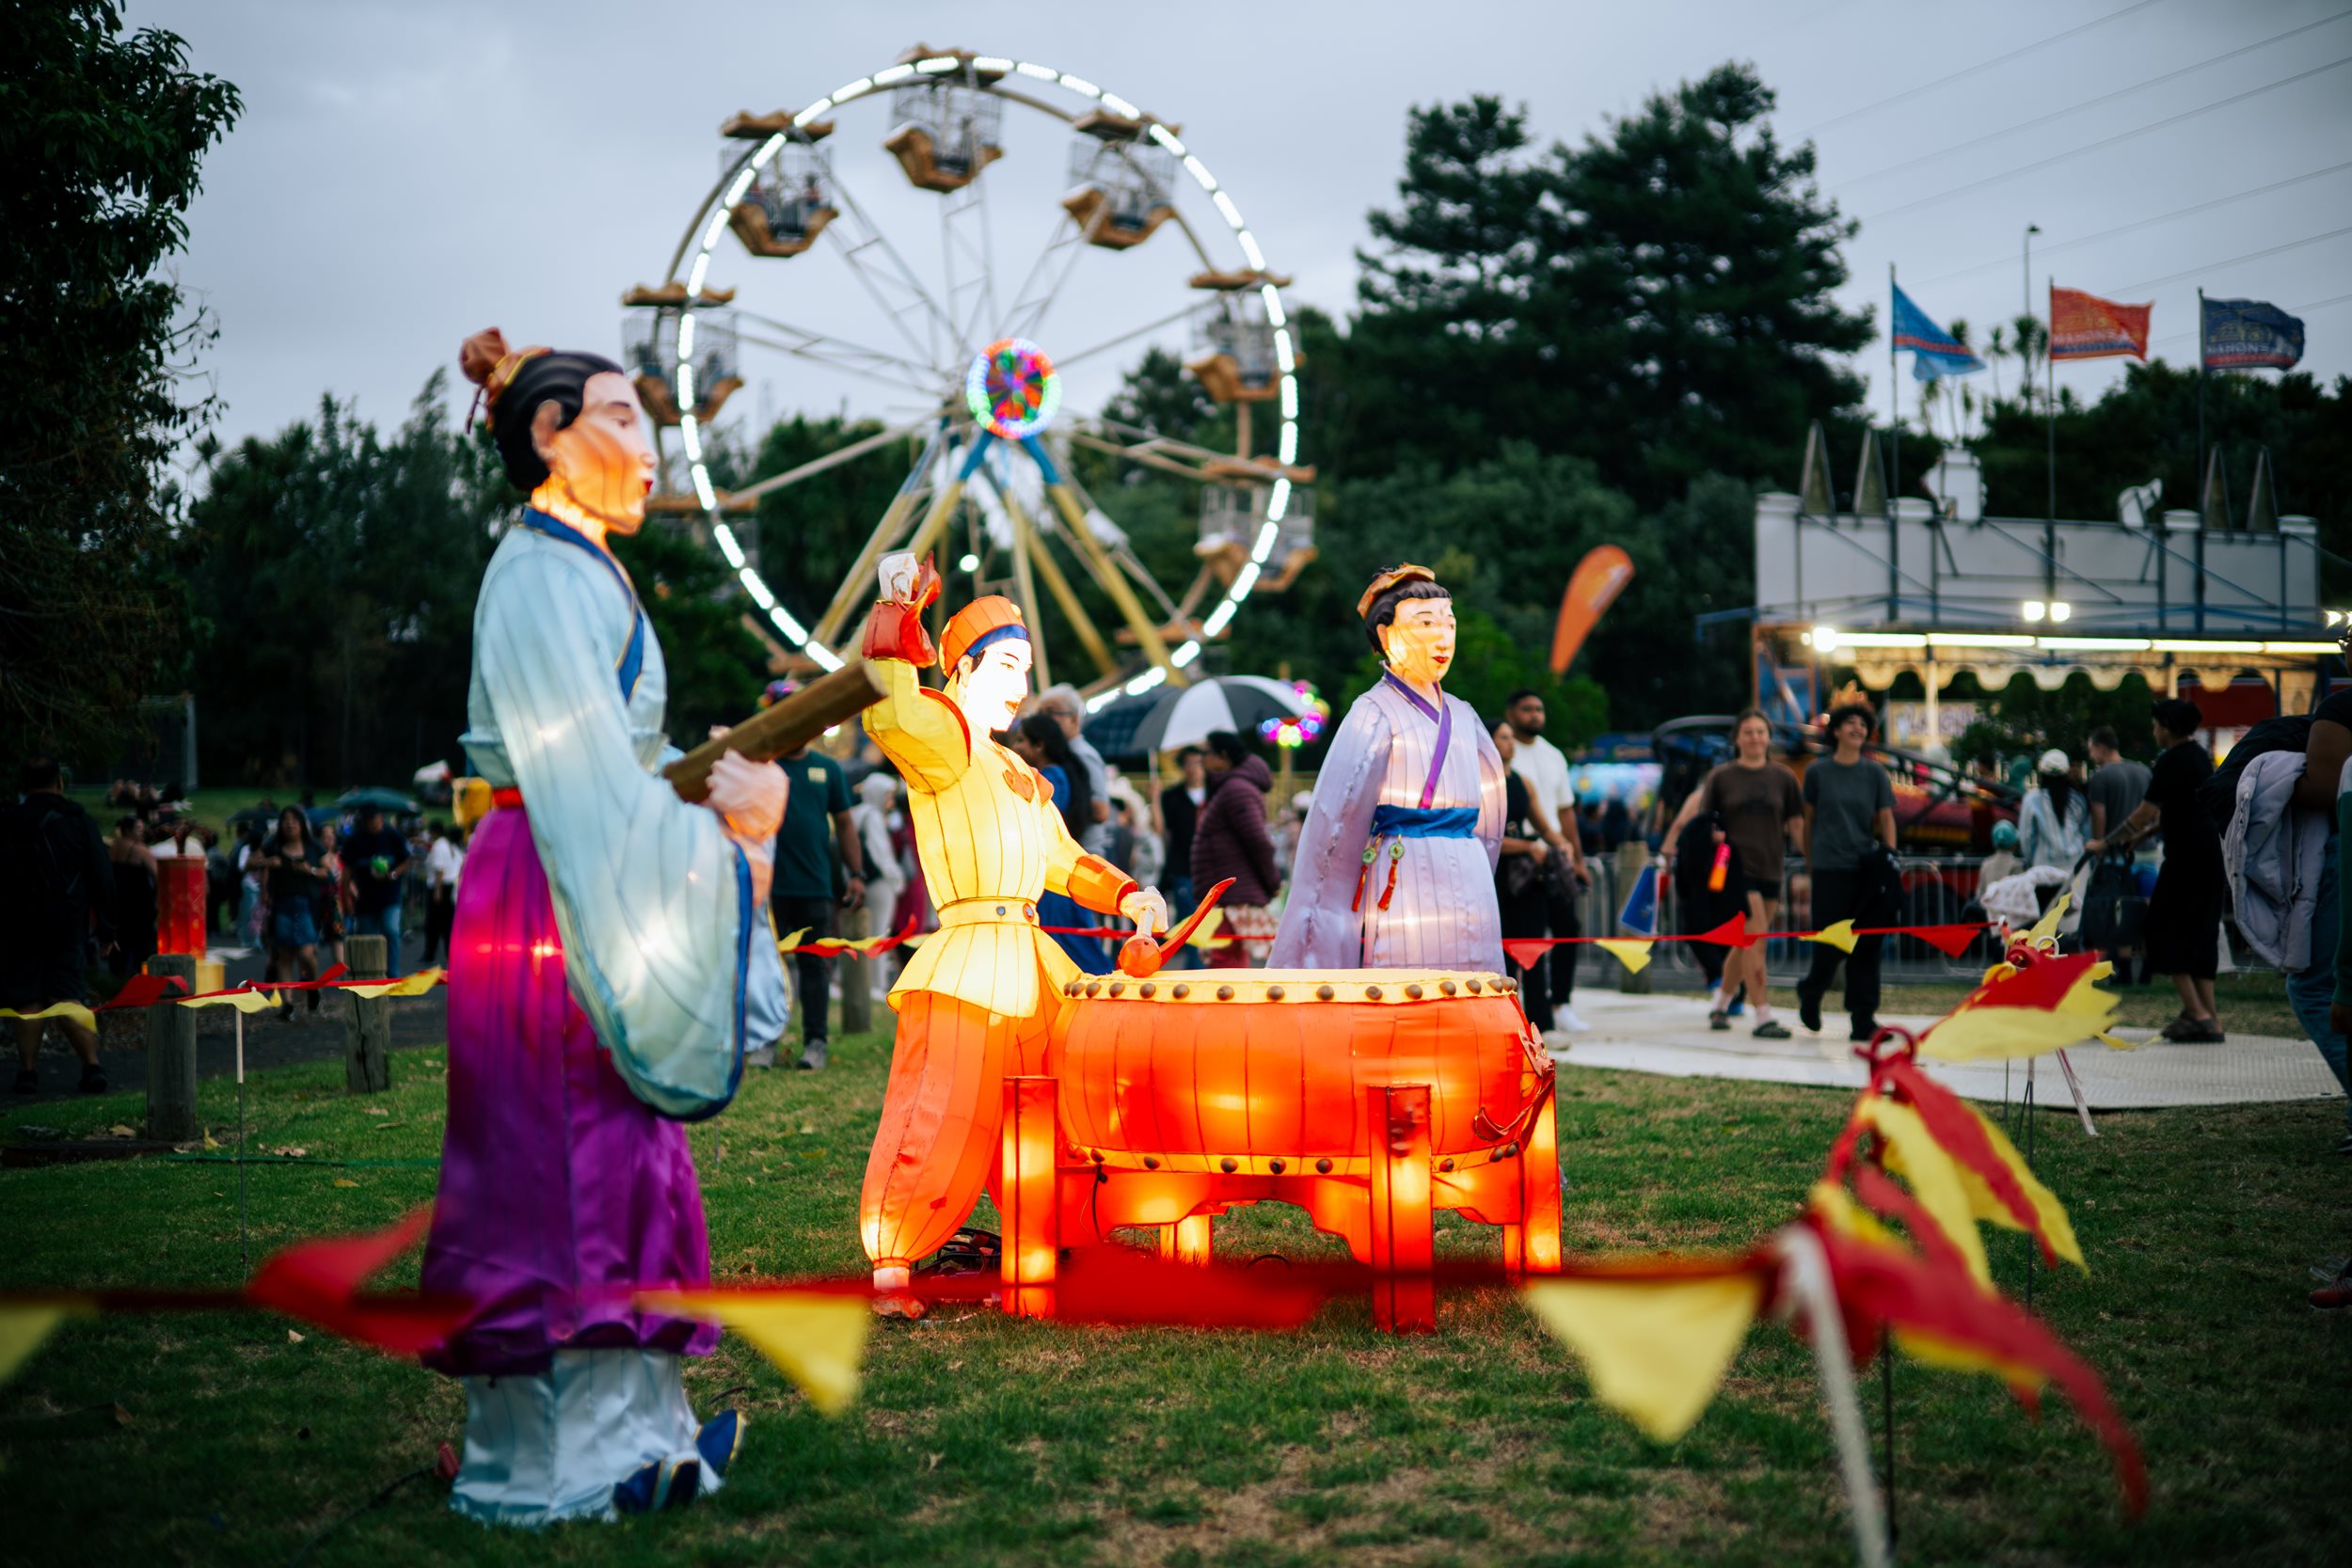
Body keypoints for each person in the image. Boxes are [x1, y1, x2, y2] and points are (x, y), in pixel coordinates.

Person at [422, 327, 790, 1522]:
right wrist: (733, 845)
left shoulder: (580, 566)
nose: (649, 451)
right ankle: (555, 1464)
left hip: (564, 867)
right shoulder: (538, 576)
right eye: (624, 419)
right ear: (548, 435)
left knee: (618, 1155)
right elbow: (585, 786)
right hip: (550, 886)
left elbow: (616, 776)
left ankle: (639, 1429)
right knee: (557, 1156)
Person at [853, 550, 1164, 1305]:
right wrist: (896, 613)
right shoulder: (948, 742)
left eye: (1027, 668)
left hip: (1034, 962)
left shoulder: (1021, 774)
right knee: (940, 1106)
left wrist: (1130, 896)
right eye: (1006, 665)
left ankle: (1048, 1241)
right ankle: (895, 1257)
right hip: (966, 961)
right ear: (960, 670)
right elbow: (890, 709)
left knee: (1056, 1106)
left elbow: (1064, 857)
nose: (1020, 685)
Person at [1271, 565, 1505, 972]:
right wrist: (1322, 920)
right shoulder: (1371, 713)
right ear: (1386, 634)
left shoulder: (1466, 716)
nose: (1442, 637)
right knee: (1407, 981)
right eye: (1425, 623)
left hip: (1472, 876)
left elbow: (1493, 817)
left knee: (1473, 979)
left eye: (1450, 623)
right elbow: (1334, 828)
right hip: (1405, 870)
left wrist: (1481, 872)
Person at [1661, 711, 1804, 1037]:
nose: (1755, 737)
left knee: (1745, 943)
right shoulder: (1722, 777)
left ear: (1768, 737)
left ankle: (1720, 1005)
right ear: (1737, 738)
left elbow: (1796, 824)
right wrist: (1710, 837)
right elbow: (1703, 821)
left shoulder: (1783, 777)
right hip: (1736, 871)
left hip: (1772, 867)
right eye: (1748, 732)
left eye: (1760, 732)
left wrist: (1812, 860)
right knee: (1755, 941)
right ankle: (1763, 1015)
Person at [2090, 698, 2224, 1042]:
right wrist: (2148, 835)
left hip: (2185, 860)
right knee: (2201, 931)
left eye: (2155, 724)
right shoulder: (2198, 757)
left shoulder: (2171, 760)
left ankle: (2195, 1013)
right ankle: (2209, 1016)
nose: (2153, 730)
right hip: (2209, 856)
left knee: (2160, 927)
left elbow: (2144, 812)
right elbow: (2181, 810)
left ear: (2165, 726)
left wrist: (2107, 842)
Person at [2, 759, 113, 1094]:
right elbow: (101, 874)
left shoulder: (10, 821)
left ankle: (27, 1072)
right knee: (68, 996)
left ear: (24, 784)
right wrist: (108, 927)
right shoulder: (77, 822)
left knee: (27, 999)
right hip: (66, 925)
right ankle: (92, 1066)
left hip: (19, 926)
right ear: (60, 783)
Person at [765, 708, 865, 1071]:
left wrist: (857, 874)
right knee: (769, 968)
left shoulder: (829, 769)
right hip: (771, 887)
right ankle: (765, 1041)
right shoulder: (765, 766)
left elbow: (845, 823)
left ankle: (815, 1043)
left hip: (815, 887)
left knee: (813, 968)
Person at [1794, 704, 1898, 1041]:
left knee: (1867, 944)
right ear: (1836, 730)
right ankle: (1812, 991)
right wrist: (1811, 861)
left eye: (1863, 724)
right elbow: (1808, 820)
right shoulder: (1817, 773)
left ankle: (1863, 1018)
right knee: (1830, 942)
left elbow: (1885, 818)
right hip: (1828, 867)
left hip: (1865, 867)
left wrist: (1890, 858)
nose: (1858, 728)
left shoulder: (1875, 774)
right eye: (1850, 723)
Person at [1503, 689, 1592, 1032]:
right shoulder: (1504, 759)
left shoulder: (1554, 755)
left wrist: (1578, 857)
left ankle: (1562, 1002)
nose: (1535, 715)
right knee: (1530, 935)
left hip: (1553, 852)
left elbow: (1565, 811)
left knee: (1568, 926)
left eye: (1540, 709)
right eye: (1527, 709)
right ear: (1512, 713)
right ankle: (1530, 1009)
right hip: (1520, 852)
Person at [2290, 670, 2352, 1150]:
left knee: (2313, 986)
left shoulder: (2341, 710)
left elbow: (2324, 789)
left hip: (2340, 853)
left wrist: (2279, 777)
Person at [1011, 712, 1104, 974]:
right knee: (1072, 948)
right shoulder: (1060, 774)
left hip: (1055, 882)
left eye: (1021, 741)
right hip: (1060, 878)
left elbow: (1043, 824)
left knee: (1071, 949)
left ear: (1039, 746)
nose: (1015, 747)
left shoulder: (1051, 779)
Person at [1192, 731, 1281, 968]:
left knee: (1224, 960)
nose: (1201, 760)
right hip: (1230, 892)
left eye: (1205, 753)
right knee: (1227, 957)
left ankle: (1229, 1007)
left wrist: (1272, 882)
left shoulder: (1236, 790)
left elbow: (1258, 841)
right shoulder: (1232, 788)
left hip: (1232, 894)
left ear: (1223, 757)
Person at [1492, 721, 1556, 1035]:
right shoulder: (1480, 784)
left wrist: (1565, 846)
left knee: (1533, 947)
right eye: (1503, 737)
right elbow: (1486, 837)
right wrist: (1530, 847)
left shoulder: (1522, 782)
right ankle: (1506, 1022)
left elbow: (1544, 826)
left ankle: (1542, 1023)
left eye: (1510, 737)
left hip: (1526, 876)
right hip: (1495, 877)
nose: (1510, 743)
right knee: (1502, 952)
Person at [250, 805, 334, 1022]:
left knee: (307, 952)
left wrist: (311, 870)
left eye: (294, 820)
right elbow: (249, 862)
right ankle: (287, 1003)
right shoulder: (273, 845)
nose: (290, 824)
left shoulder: (312, 846)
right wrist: (269, 862)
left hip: (307, 904)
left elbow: (328, 871)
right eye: (286, 820)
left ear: (301, 823)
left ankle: (313, 986)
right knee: (284, 954)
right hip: (281, 904)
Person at [1034, 684, 1112, 856]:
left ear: (1074, 719)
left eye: (1050, 713)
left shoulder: (1082, 755)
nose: (1043, 720)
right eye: (1040, 713)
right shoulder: (1060, 754)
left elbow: (1102, 810)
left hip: (1085, 853)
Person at [1150, 747, 1208, 967]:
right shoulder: (1172, 796)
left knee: (1209, 927)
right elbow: (1160, 829)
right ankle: (1195, 971)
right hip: (1183, 868)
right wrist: (1155, 799)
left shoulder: (1215, 794)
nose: (1194, 769)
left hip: (1211, 868)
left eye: (1198, 763)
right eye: (1189, 763)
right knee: (1190, 925)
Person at [850, 771, 906, 997]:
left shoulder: (857, 813)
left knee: (865, 934)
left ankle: (864, 983)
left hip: (862, 881)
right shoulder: (872, 816)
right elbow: (881, 853)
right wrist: (897, 879)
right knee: (878, 934)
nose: (890, 801)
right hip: (878, 883)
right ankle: (876, 985)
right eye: (888, 796)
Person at [340, 804, 411, 974]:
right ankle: (371, 974)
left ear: (382, 818)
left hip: (390, 895)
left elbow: (406, 861)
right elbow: (346, 871)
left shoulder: (393, 836)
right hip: (365, 898)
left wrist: (392, 874)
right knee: (367, 937)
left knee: (391, 929)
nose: (373, 823)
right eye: (369, 820)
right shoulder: (355, 840)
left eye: (376, 819)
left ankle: (393, 973)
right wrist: (346, 901)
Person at [2017, 749, 2088, 872]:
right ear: (2066, 772)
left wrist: (2031, 861)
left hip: (2043, 869)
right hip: (2076, 866)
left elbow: (2026, 837)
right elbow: (2084, 831)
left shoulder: (2031, 800)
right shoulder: (2077, 799)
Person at [107, 816, 158, 979]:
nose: (142, 833)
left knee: (120, 942)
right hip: (139, 905)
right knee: (142, 945)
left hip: (117, 902)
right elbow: (157, 875)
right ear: (128, 830)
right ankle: (141, 977)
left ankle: (117, 977)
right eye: (138, 829)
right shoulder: (140, 849)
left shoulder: (112, 848)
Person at [2085, 727, 2151, 841]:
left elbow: (2099, 817)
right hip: (2149, 849)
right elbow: (2155, 810)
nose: (2090, 756)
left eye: (2091, 750)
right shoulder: (2145, 771)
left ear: (2101, 748)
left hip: (2117, 852)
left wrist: (2098, 845)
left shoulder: (2100, 776)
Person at [420, 821, 464, 969]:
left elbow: (440, 869)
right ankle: (451, 954)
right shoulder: (451, 846)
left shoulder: (439, 846)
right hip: (451, 886)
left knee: (434, 923)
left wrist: (437, 890)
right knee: (448, 923)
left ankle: (430, 953)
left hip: (439, 887)